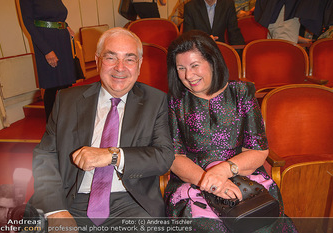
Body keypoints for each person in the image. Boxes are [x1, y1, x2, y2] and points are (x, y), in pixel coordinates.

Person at [29, 27, 174, 232]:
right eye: (111, 57)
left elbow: (163, 156)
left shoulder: (156, 101)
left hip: (131, 202)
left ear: (140, 64)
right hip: (71, 200)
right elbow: (45, 156)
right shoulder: (66, 100)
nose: (120, 68)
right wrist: (56, 211)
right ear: (97, 60)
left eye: (130, 59)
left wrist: (111, 156)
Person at [164, 30, 297, 232]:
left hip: (243, 176)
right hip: (194, 180)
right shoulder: (175, 101)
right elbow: (175, 157)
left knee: (259, 222)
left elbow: (258, 150)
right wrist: (210, 182)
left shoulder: (241, 93)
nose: (188, 76)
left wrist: (224, 171)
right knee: (209, 225)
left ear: (212, 62)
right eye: (181, 68)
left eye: (194, 65)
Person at [19, 0, 77, 121]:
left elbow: (57, 14)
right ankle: (51, 124)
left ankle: (67, 119)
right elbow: (28, 23)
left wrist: (66, 25)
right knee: (52, 85)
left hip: (62, 39)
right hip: (46, 41)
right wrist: (46, 50)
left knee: (66, 83)